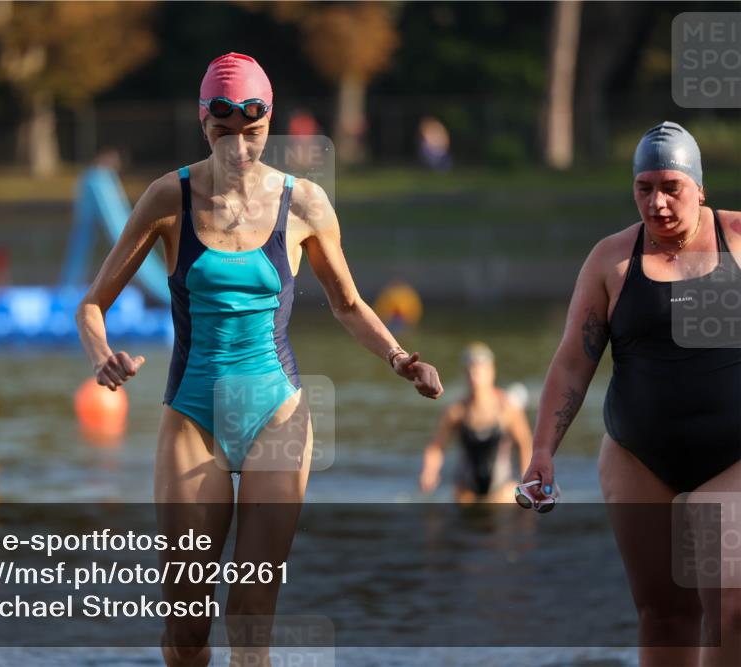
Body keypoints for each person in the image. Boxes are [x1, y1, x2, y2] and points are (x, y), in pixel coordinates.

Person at [76, 52, 443, 666]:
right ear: (204, 124)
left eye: (253, 132)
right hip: (192, 415)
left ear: (268, 124)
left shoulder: (305, 205)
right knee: (188, 621)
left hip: (277, 412)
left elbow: (349, 304)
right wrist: (102, 356)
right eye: (225, 133)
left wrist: (401, 358)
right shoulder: (169, 197)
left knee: (251, 614)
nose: (240, 148)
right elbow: (93, 305)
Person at [522, 121, 740, 667]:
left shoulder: (739, 240)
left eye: (671, 187)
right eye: (645, 188)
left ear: (700, 187)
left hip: (733, 456)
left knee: (733, 609)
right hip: (639, 455)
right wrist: (542, 450)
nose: (658, 203)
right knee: (665, 616)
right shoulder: (612, 260)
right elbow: (574, 360)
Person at [419, 342, 532, 503]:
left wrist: (526, 482)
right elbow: (436, 446)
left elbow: (524, 445)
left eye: (479, 369)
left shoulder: (508, 409)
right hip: (466, 492)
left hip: (502, 491)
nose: (474, 375)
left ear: (491, 371)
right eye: (470, 370)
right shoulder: (456, 411)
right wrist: (429, 473)